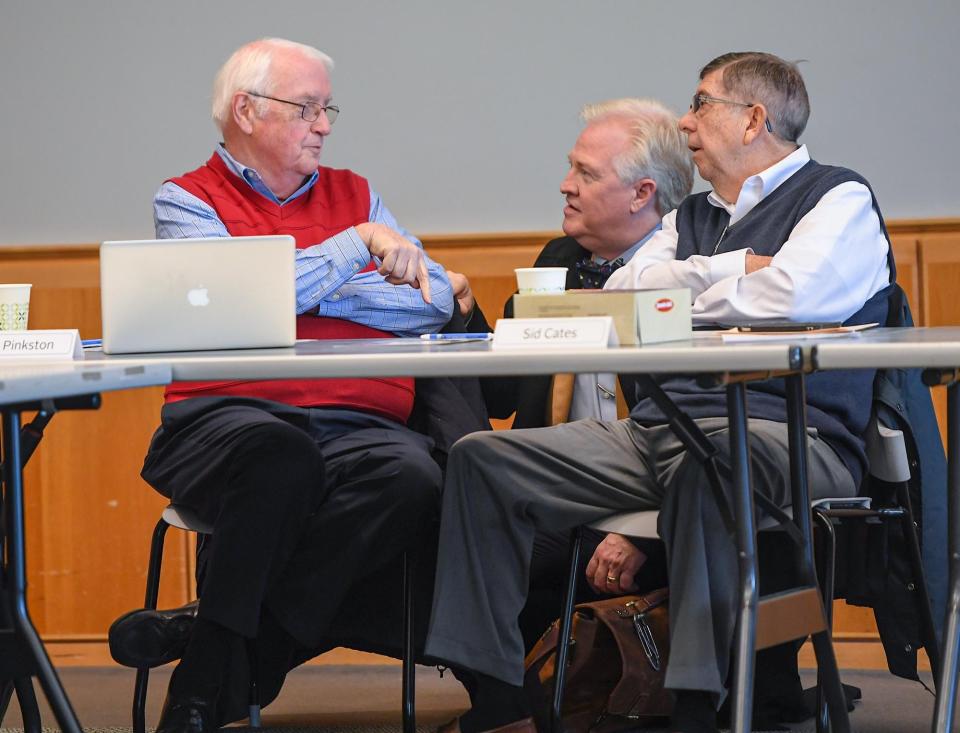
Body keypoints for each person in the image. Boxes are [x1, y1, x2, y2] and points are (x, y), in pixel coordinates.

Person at [424, 51, 895, 733]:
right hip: (661, 430)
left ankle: (697, 704)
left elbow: (799, 292)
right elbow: (626, 295)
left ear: (753, 118)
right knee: (481, 458)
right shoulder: (693, 216)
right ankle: (498, 699)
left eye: (702, 103)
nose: (686, 118)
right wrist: (738, 270)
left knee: (711, 465)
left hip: (793, 438)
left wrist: (691, 289)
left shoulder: (838, 197)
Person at [110, 38, 455, 733]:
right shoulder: (186, 200)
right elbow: (249, 294)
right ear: (245, 110)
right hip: (226, 419)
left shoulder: (357, 190)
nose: (324, 124)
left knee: (416, 474)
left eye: (328, 109)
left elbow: (434, 297)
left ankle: (218, 658)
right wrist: (356, 250)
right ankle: (224, 676)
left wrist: (296, 290)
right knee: (280, 458)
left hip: (361, 429)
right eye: (308, 108)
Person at [448, 98, 692, 651]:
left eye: (585, 172)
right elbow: (502, 393)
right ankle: (502, 700)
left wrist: (641, 532)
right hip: (556, 497)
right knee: (446, 529)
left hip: (652, 503)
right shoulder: (559, 257)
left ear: (641, 194)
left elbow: (705, 431)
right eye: (570, 167)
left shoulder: (690, 273)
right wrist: (466, 314)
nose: (565, 184)